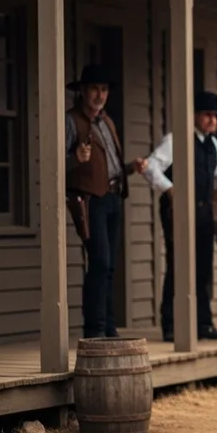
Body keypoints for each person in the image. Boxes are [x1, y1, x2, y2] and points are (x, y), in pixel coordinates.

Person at [65, 64, 146, 339]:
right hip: (90, 200)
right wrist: (76, 158)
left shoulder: (107, 122)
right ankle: (94, 329)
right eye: (94, 89)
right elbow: (56, 165)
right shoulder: (71, 121)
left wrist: (130, 168)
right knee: (99, 262)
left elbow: (108, 166)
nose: (100, 95)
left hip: (112, 197)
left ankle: (109, 328)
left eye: (104, 90)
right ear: (83, 92)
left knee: (110, 266)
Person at [142, 91, 217, 342]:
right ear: (196, 116)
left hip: (204, 211)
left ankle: (203, 323)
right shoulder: (177, 139)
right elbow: (151, 166)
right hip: (177, 211)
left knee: (203, 266)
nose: (211, 121)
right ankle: (170, 323)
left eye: (215, 116)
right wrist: (169, 188)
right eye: (207, 115)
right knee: (179, 264)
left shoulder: (214, 144)